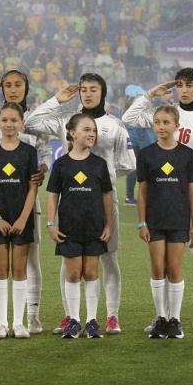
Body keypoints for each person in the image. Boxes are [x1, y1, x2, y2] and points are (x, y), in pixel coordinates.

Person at [124, 69, 193, 334]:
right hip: (164, 193)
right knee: (163, 261)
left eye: (190, 85)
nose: (184, 90)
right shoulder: (166, 112)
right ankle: (164, 317)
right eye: (180, 85)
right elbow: (129, 118)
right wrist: (151, 94)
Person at [25, 74, 134, 335]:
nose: (87, 94)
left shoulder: (115, 125)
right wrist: (56, 100)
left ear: (102, 92)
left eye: (93, 89)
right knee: (69, 258)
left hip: (104, 201)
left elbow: (128, 163)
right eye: (83, 89)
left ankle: (112, 315)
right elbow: (31, 122)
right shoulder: (67, 119)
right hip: (71, 201)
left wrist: (101, 181)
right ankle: (70, 316)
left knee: (108, 256)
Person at [0, 71, 51, 336]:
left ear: (27, 87)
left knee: (30, 261)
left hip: (25, 200)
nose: (13, 89)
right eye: (8, 85)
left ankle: (31, 316)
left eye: (18, 84)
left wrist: (42, 169)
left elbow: (46, 154)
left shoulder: (35, 120)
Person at [46, 114, 114, 339]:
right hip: (69, 229)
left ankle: (91, 321)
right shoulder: (61, 164)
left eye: (93, 130)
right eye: (86, 130)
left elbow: (106, 195)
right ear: (73, 133)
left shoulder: (99, 164)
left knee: (91, 272)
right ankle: (74, 321)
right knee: (74, 273)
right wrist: (50, 224)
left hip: (94, 228)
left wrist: (108, 224)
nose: (92, 134)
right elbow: (53, 196)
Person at [136, 105, 193, 339]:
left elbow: (192, 192)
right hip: (154, 221)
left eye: (166, 122)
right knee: (157, 268)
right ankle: (161, 319)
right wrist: (142, 223)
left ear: (176, 125)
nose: (161, 127)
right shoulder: (146, 154)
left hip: (178, 220)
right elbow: (142, 191)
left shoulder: (187, 155)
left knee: (174, 269)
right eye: (157, 122)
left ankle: (175, 320)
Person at [0, 102, 39, 339]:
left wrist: (23, 218)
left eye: (14, 120)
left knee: (20, 270)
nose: (9, 124)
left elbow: (33, 188)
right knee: (1, 270)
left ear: (22, 123)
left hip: (22, 219)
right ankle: (2, 324)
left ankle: (18, 323)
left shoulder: (29, 152)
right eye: (5, 120)